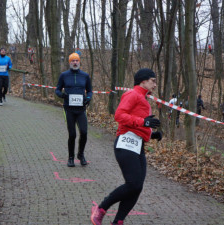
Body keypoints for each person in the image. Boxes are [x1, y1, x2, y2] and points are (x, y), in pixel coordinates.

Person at [90, 68, 162, 225]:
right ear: (143, 81)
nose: (155, 84)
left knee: (137, 187)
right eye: (153, 80)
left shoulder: (144, 99)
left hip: (138, 145)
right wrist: (144, 122)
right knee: (133, 183)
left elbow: (138, 124)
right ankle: (101, 209)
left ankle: (118, 221)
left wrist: (152, 134)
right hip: (125, 143)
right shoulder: (132, 94)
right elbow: (119, 116)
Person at [55, 53, 92, 167]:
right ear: (69, 62)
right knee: (72, 134)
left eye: (77, 60)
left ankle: (80, 154)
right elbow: (57, 90)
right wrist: (62, 95)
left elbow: (90, 91)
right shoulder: (64, 75)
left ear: (79, 62)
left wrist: (88, 98)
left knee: (84, 133)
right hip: (69, 109)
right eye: (73, 61)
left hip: (81, 109)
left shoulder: (85, 76)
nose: (75, 63)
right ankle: (70, 158)